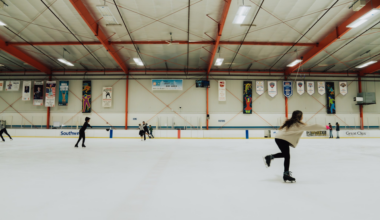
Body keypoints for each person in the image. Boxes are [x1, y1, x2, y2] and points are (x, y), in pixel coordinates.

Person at [263, 110, 326, 183]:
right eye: (302, 115)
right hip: (283, 139)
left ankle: (270, 157)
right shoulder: (298, 125)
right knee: (287, 156)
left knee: (285, 155)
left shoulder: (289, 123)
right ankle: (285, 174)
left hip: (278, 138)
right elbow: (313, 127)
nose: (302, 117)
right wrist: (326, 127)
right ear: (300, 116)